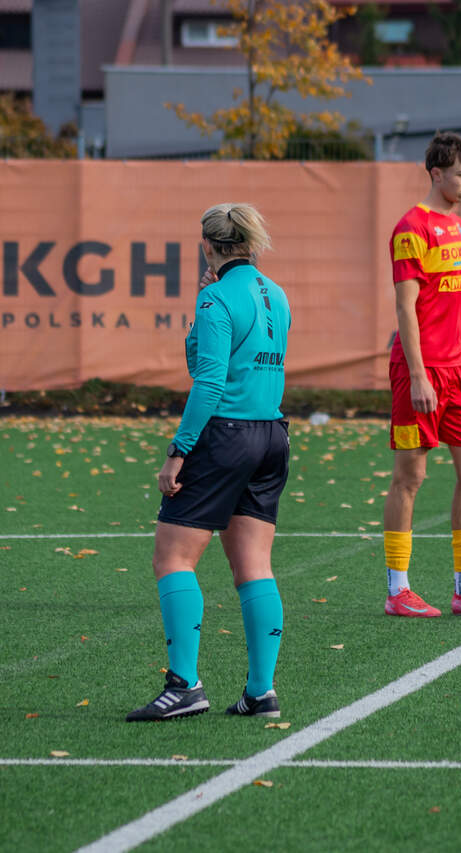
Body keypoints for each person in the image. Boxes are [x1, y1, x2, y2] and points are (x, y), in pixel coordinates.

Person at [127, 203, 291, 721]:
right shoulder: (277, 294)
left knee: (172, 559)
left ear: (207, 245)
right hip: (272, 436)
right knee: (254, 566)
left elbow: (207, 378)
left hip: (226, 436)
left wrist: (178, 450)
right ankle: (260, 692)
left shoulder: (216, 297)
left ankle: (184, 686)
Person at [383, 131, 461, 618]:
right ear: (436, 173)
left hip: (459, 367)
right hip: (419, 369)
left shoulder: (456, 224)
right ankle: (397, 591)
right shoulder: (411, 228)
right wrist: (418, 375)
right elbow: (405, 309)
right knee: (410, 476)